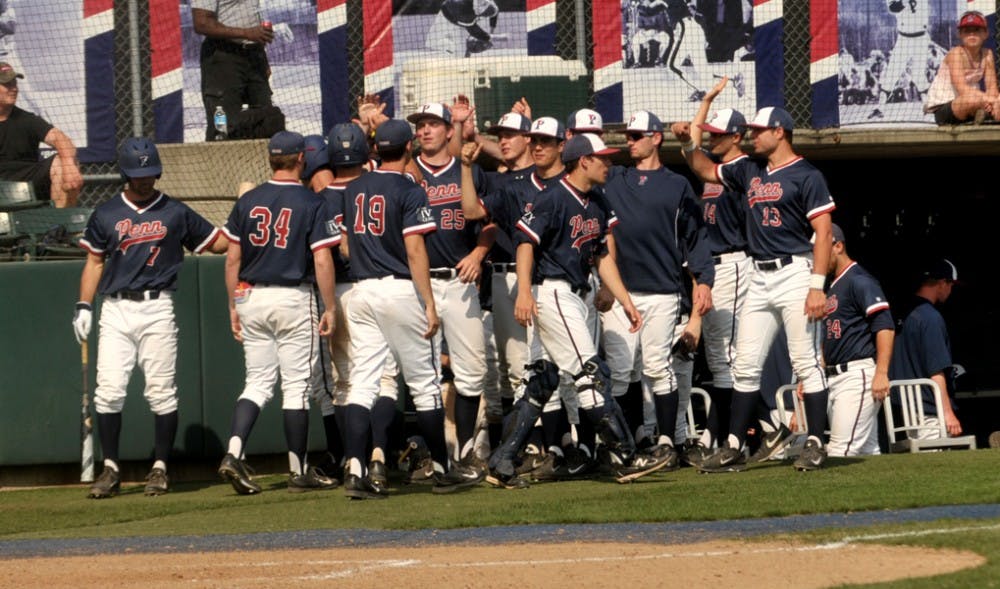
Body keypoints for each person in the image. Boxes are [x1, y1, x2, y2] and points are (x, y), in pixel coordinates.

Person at [487, 133, 674, 487]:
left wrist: (626, 300)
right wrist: (524, 292)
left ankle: (502, 462)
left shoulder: (597, 201)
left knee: (541, 381)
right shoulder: (553, 198)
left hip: (572, 292)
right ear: (583, 161)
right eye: (602, 158)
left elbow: (601, 257)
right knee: (591, 374)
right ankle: (626, 456)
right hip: (552, 292)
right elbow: (525, 244)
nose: (609, 164)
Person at [675, 104, 836, 473]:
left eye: (760, 130)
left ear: (781, 131)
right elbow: (703, 168)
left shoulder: (807, 174)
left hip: (796, 271)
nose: (753, 136)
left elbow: (824, 232)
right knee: (744, 364)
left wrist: (817, 286)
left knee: (805, 362)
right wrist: (687, 145)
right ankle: (732, 444)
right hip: (759, 276)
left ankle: (815, 441)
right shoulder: (750, 169)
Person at [74, 137, 227, 498]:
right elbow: (94, 261)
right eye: (139, 174)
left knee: (161, 391)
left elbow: (217, 243)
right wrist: (83, 304)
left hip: (158, 307)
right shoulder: (107, 213)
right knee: (109, 392)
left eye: (150, 173)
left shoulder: (175, 211)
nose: (145, 180)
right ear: (126, 174)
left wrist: (241, 221)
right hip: (115, 309)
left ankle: (160, 468)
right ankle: (110, 468)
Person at [338, 119, 480, 498]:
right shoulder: (410, 188)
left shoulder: (353, 189)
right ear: (408, 150)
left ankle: (354, 469)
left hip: (361, 289)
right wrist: (430, 304)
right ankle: (440, 469)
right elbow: (416, 250)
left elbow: (347, 245)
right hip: (400, 290)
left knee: (362, 385)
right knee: (425, 386)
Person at [216, 131, 341, 495]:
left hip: (251, 295)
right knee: (296, 388)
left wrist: (231, 305)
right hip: (292, 297)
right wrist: (330, 305)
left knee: (256, 383)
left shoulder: (249, 199)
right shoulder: (310, 201)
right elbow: (321, 258)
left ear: (271, 159)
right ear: (301, 158)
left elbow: (232, 259)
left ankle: (233, 451)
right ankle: (298, 469)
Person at [599, 109, 714, 469]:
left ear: (655, 138)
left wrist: (704, 281)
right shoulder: (614, 178)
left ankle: (667, 441)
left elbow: (695, 240)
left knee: (657, 368)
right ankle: (626, 441)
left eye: (636, 136)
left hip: (664, 290)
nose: (629, 141)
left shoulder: (677, 184)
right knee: (619, 371)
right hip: (623, 292)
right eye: (627, 136)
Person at [407, 103, 494, 473]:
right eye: (421, 125)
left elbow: (491, 223)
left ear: (447, 132)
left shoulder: (467, 171)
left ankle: (464, 452)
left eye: (432, 125)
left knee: (471, 370)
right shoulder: (407, 176)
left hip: (460, 282)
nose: (425, 131)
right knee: (422, 374)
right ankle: (432, 456)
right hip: (419, 286)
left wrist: (478, 252)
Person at [669, 79, 750, 466]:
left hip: (733, 261)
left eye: (720, 135)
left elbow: (697, 156)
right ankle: (724, 435)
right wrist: (705, 103)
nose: (712, 139)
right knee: (719, 359)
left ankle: (735, 437)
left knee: (727, 358)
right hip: (714, 266)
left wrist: (695, 133)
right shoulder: (721, 168)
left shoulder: (741, 170)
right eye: (712, 133)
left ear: (737, 137)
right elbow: (696, 151)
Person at [821, 224, 894, 456]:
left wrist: (881, 372)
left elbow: (885, 326)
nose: (817, 257)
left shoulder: (859, 279)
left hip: (856, 375)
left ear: (838, 246)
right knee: (867, 454)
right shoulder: (832, 284)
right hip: (836, 376)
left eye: (822, 249)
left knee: (839, 452)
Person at [890, 258, 963, 440]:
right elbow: (936, 370)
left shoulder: (900, 314)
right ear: (941, 283)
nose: (950, 290)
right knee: (935, 464)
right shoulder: (930, 317)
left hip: (900, 407)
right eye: (950, 285)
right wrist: (947, 412)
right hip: (929, 410)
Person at [0, 62, 82, 207]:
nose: (14, 89)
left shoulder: (27, 119)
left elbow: (60, 139)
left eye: (15, 83)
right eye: (7, 84)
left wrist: (69, 165)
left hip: (27, 181)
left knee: (62, 161)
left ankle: (60, 225)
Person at [191, 0, 274, 141]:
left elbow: (251, 16)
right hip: (223, 56)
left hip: (254, 55)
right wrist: (246, 33)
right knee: (222, 128)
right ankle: (220, 161)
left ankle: (260, 162)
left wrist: (262, 56)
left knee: (265, 121)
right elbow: (201, 23)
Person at [924, 11, 1000, 125]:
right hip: (945, 107)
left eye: (977, 30)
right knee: (970, 100)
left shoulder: (987, 54)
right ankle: (985, 113)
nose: (972, 34)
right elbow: (962, 89)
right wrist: (991, 100)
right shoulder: (955, 53)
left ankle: (986, 116)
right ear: (959, 34)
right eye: (966, 31)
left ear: (986, 33)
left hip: (977, 102)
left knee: (996, 100)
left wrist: (994, 100)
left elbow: (992, 88)